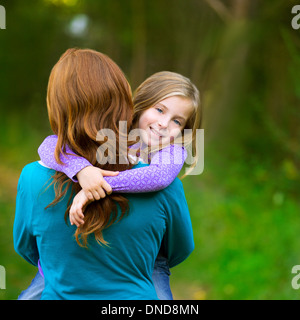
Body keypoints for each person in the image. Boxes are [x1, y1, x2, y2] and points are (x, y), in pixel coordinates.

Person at [14, 48, 194, 300]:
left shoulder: (170, 158)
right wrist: (82, 170)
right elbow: (48, 146)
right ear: (134, 107)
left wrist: (96, 186)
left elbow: (159, 177)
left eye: (178, 121)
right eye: (159, 110)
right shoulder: (122, 146)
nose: (164, 124)